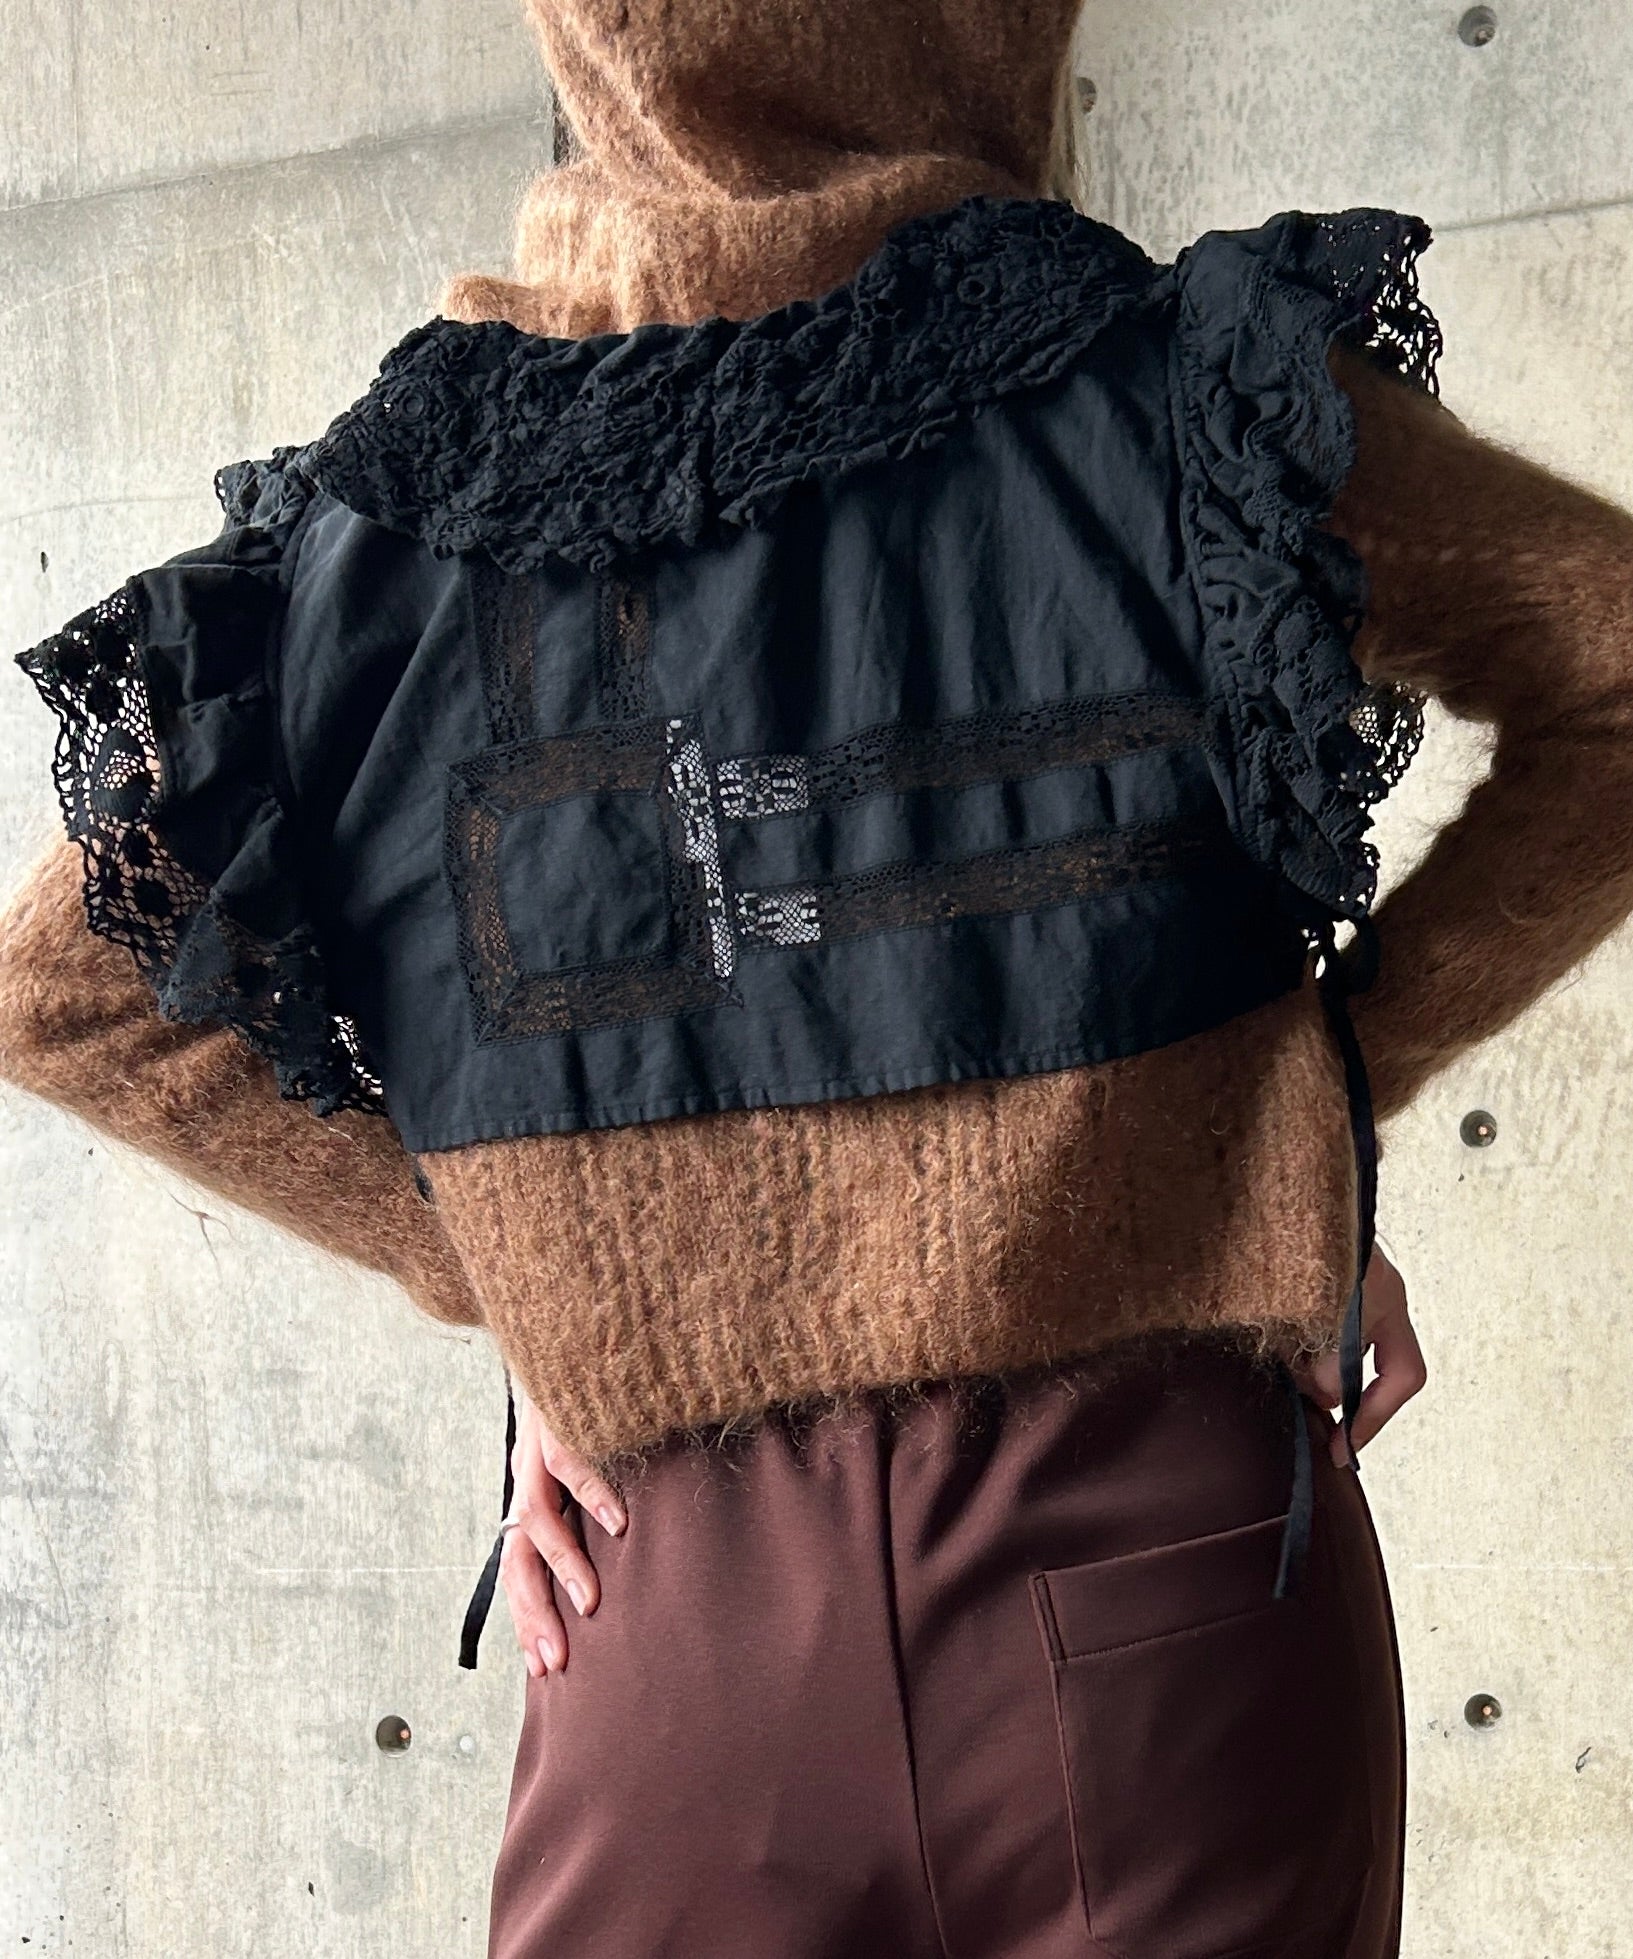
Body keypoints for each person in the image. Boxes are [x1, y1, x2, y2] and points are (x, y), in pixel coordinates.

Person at [3, 4, 1633, 1955]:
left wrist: (520, 1276)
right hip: (1167, 1579)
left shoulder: (378, 549)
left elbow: (62, 996)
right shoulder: (1177, 399)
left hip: (672, 1629)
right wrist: (1308, 1112)